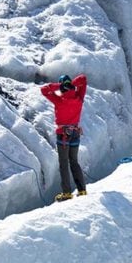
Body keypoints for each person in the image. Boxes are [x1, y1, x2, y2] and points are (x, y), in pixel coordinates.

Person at [41, 73, 88, 202]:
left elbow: (44, 90)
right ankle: (82, 190)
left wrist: (60, 85)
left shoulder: (59, 100)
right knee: (74, 161)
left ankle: (67, 193)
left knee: (63, 163)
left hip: (63, 134)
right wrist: (71, 84)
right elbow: (83, 79)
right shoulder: (79, 97)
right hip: (75, 132)